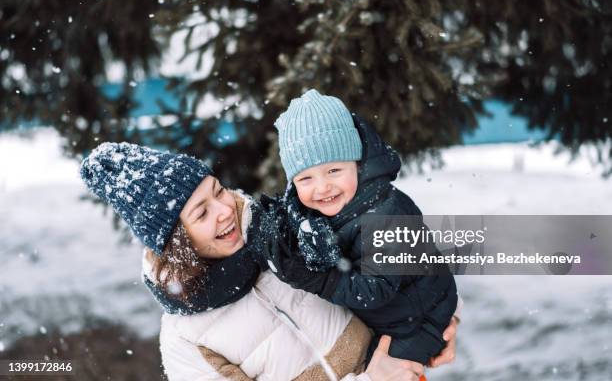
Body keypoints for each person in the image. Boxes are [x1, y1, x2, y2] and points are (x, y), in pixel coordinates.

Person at [79, 142, 457, 381]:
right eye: (201, 213)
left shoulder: (288, 231)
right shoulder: (186, 342)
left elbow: (391, 268)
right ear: (179, 244)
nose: (225, 210)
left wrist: (429, 324)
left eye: (218, 191)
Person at [271, 89, 460, 371]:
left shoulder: (386, 213)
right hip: (393, 316)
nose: (322, 187)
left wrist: (320, 279)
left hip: (420, 322)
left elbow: (375, 288)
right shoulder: (334, 206)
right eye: (306, 178)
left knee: (376, 369)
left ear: (357, 165)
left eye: (334, 171)